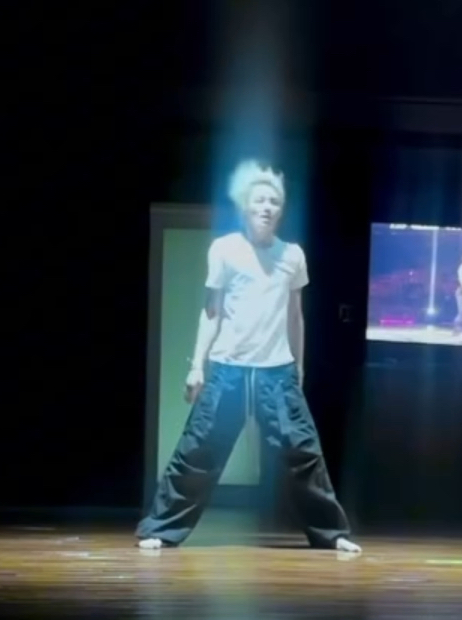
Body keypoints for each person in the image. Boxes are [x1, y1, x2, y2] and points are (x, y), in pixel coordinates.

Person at [136, 160, 360, 553]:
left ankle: (332, 534)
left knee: (303, 454)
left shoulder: (292, 255)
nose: (266, 207)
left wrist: (299, 367)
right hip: (228, 369)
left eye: (274, 202)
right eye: (259, 200)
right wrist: (197, 366)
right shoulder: (225, 250)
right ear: (245, 206)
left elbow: (295, 316)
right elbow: (211, 311)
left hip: (277, 372)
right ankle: (160, 529)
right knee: (197, 451)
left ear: (281, 210)